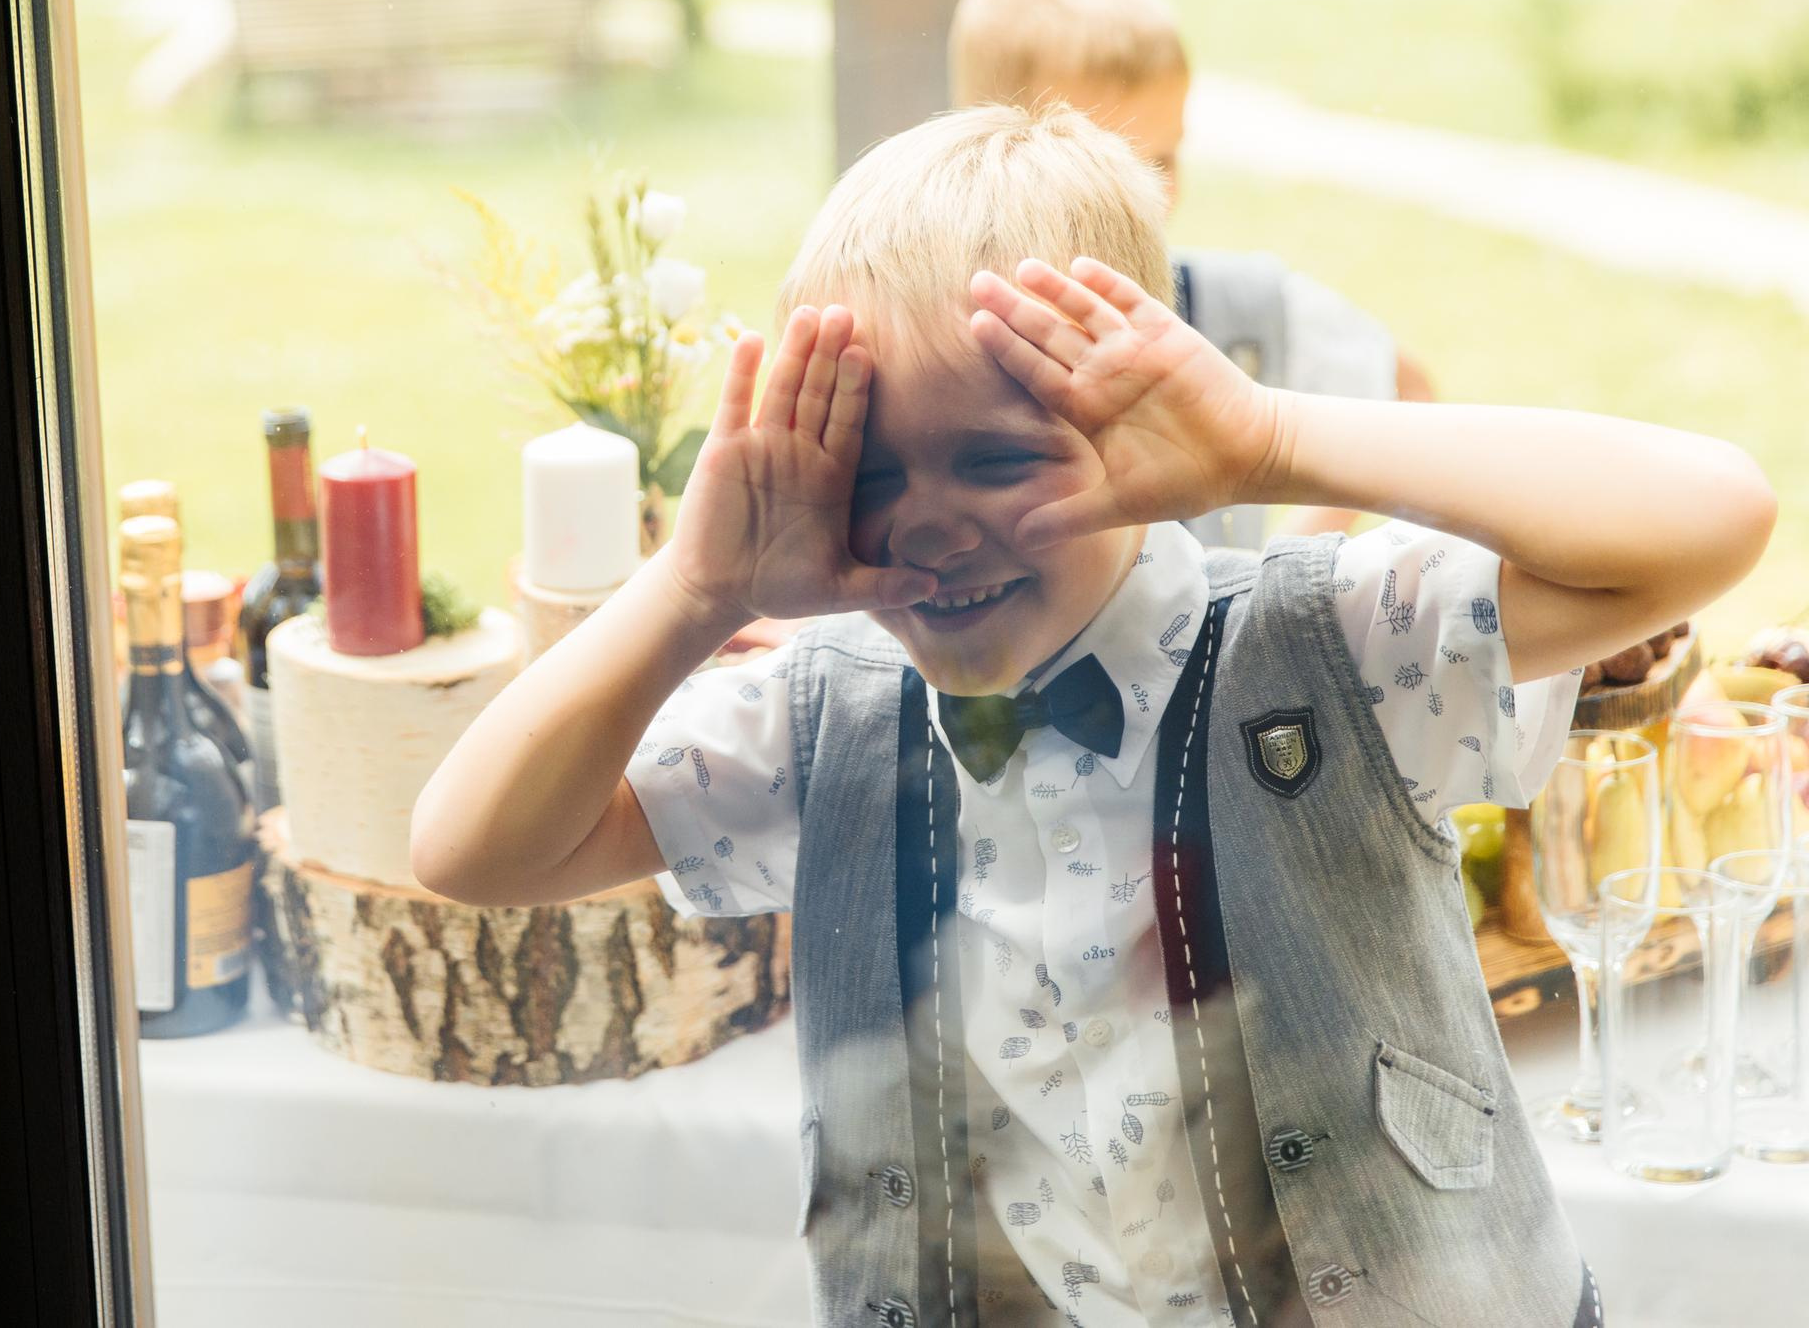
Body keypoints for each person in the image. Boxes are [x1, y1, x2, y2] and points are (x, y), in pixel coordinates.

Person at [411, 106, 1773, 1326]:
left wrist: (1271, 439)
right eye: (869, 467)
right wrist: (696, 583)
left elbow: (1712, 518)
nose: (931, 523)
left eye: (998, 456)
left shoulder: (1335, 650)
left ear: (1135, 424)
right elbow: (474, 847)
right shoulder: (818, 719)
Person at [952, 0, 1430, 547]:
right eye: (1117, 164)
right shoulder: (934, 341)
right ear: (994, 150)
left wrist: (1283, 572)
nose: (1158, 194)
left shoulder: (1227, 308)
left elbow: (1404, 389)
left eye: (1166, 157)